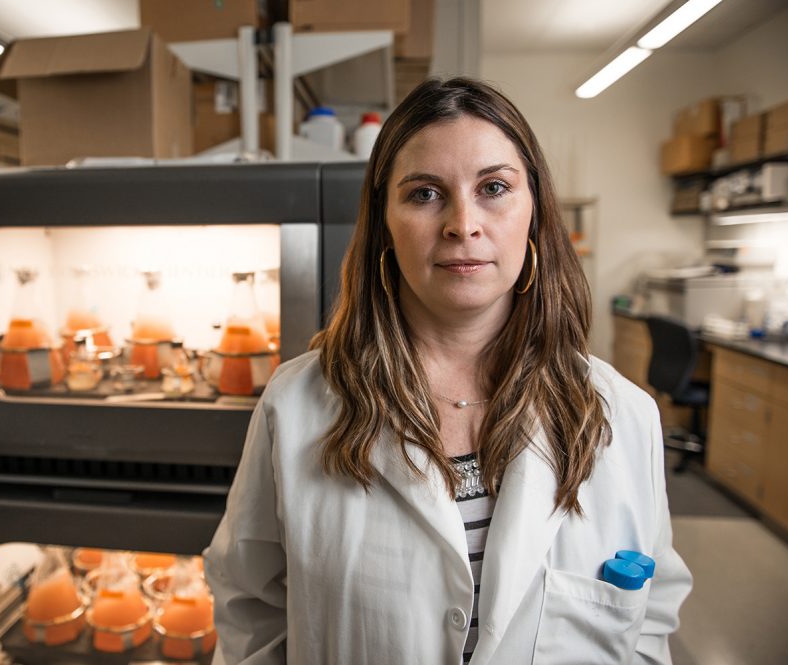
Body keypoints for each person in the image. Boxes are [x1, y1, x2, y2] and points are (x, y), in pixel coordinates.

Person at [203, 77, 692, 665]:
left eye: (494, 187)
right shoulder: (298, 404)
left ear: (532, 212)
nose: (463, 223)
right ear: (384, 221)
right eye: (425, 194)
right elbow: (249, 607)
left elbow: (649, 622)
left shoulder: (623, 415)